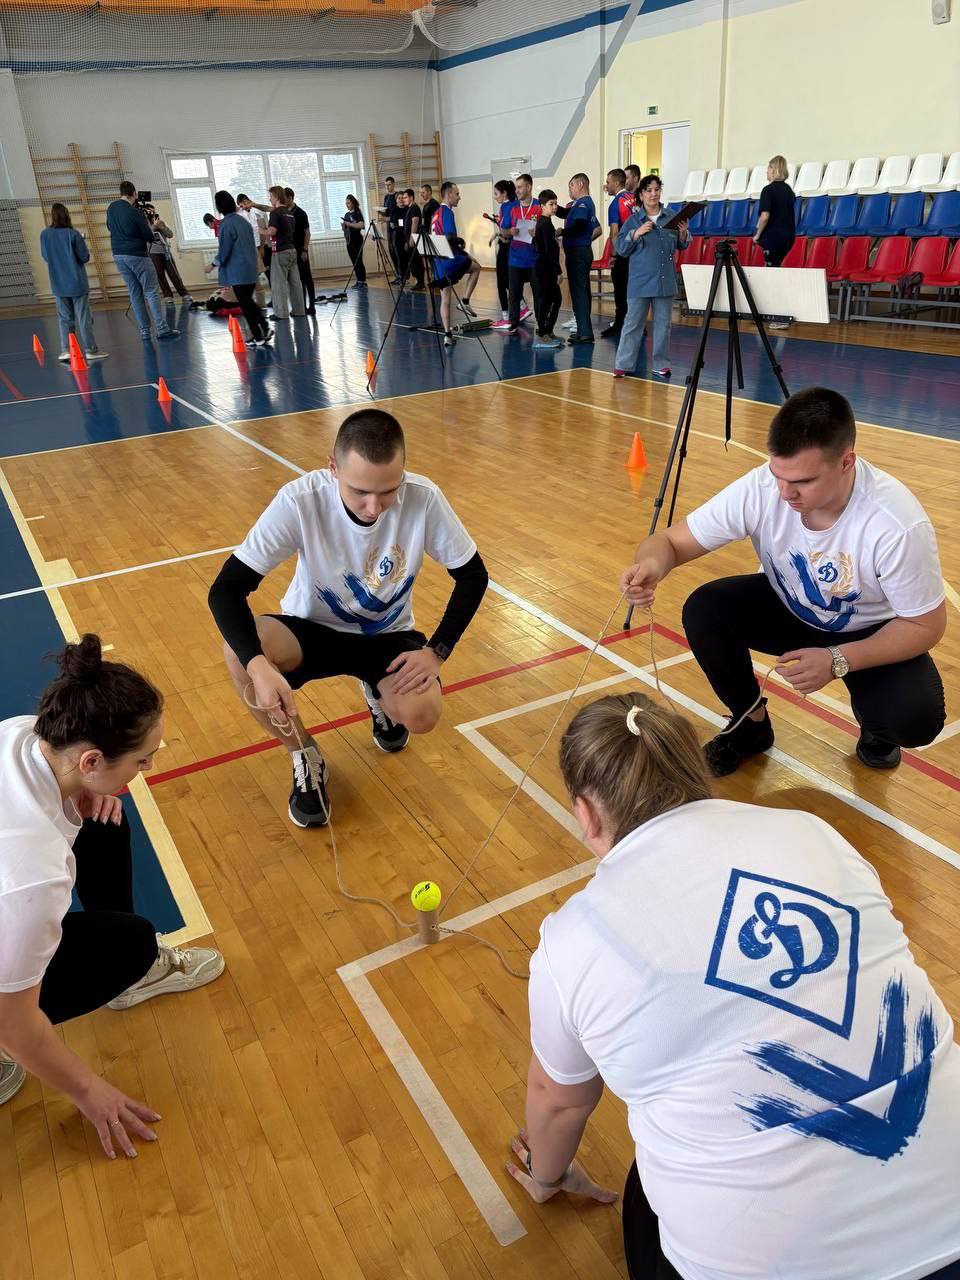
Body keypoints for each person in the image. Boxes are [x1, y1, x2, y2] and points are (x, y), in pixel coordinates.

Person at [509, 689, 960, 1280]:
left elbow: (558, 1100)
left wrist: (547, 1177)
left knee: (647, 1198)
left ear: (586, 813)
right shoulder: (813, 834)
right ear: (694, 772)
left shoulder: (572, 939)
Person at [621, 386, 947, 776]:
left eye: (804, 481)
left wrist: (838, 660)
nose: (785, 493)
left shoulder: (895, 524)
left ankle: (877, 728)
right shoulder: (763, 487)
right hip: (789, 605)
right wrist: (652, 565)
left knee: (914, 718)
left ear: (847, 463)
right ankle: (751, 727)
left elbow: (926, 625)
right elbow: (670, 541)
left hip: (869, 629)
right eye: (778, 475)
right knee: (706, 609)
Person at [208, 408, 488, 828]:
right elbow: (225, 590)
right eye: (359, 492)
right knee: (239, 651)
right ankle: (304, 753)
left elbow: (472, 576)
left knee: (423, 714)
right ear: (332, 467)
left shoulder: (424, 498)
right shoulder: (299, 501)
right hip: (311, 632)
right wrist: (258, 665)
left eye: (388, 491)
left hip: (387, 637)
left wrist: (437, 652)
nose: (374, 507)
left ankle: (378, 691)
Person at [0, 635, 225, 1138]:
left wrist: (80, 800)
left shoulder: (21, 737)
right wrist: (85, 1089)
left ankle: (131, 981)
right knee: (132, 945)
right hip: (11, 911)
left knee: (104, 819)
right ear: (91, 761)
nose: (146, 770)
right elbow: (14, 1025)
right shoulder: (34, 878)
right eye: (142, 761)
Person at [613, 173, 688, 380]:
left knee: (663, 325)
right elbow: (620, 248)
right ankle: (623, 364)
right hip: (640, 281)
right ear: (641, 194)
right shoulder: (633, 220)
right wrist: (636, 234)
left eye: (656, 189)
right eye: (649, 190)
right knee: (633, 324)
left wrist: (683, 234)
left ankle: (661, 364)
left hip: (665, 281)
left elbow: (682, 244)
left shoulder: (672, 216)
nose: (653, 194)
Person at [106, 182, 179, 343]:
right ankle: (161, 329)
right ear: (134, 193)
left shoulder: (111, 208)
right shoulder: (135, 212)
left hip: (118, 255)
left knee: (134, 293)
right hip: (137, 255)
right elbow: (147, 235)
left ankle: (145, 331)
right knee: (151, 291)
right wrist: (152, 226)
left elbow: (110, 227)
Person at [39, 203, 108, 363]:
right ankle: (91, 349)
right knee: (84, 318)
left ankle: (66, 350)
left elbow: (45, 256)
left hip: (58, 283)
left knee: (64, 318)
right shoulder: (73, 234)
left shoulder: (45, 234)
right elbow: (84, 257)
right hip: (77, 283)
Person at [204, 191, 271, 347]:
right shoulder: (243, 221)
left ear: (219, 207)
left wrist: (212, 265)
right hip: (250, 267)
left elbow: (224, 250)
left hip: (238, 271)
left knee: (246, 304)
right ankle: (263, 329)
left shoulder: (226, 225)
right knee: (248, 302)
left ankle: (259, 335)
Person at [429, 182, 482, 346]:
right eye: (457, 194)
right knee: (476, 267)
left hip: (437, 262)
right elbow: (451, 238)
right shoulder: (447, 212)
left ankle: (447, 335)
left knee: (445, 298)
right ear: (449, 195)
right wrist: (462, 245)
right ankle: (465, 302)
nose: (459, 197)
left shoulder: (435, 213)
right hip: (448, 261)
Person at [556, 172, 601, 345]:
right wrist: (552, 207)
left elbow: (579, 224)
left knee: (579, 291)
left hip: (578, 252)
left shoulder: (583, 203)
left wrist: (563, 232)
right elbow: (566, 213)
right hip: (579, 251)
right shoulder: (579, 204)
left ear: (581, 184)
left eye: (571, 186)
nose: (570, 190)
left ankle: (585, 333)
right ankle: (583, 329)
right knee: (580, 290)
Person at [495, 173, 539, 335]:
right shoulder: (513, 208)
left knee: (538, 294)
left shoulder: (539, 206)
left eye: (520, 187)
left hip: (534, 259)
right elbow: (503, 231)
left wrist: (538, 232)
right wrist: (510, 231)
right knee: (514, 294)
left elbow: (547, 229)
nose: (517, 190)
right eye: (516, 187)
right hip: (515, 259)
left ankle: (541, 325)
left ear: (529, 187)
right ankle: (513, 324)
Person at [601, 168, 635, 339]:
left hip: (624, 253)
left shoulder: (615, 204)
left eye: (608, 182)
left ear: (616, 183)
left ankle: (620, 325)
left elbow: (615, 232)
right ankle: (637, 326)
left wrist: (614, 255)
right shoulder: (634, 198)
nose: (606, 186)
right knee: (634, 292)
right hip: (638, 252)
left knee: (620, 290)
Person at [266, 185, 305, 322]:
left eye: (270, 196)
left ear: (276, 197)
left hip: (280, 251)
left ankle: (281, 313)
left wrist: (258, 229)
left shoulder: (275, 213)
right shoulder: (289, 213)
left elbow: (271, 232)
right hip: (292, 251)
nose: (269, 199)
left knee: (279, 283)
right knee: (295, 283)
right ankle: (299, 310)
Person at [531, 190, 563, 351]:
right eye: (551, 204)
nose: (555, 207)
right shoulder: (544, 224)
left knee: (555, 300)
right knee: (548, 301)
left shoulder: (545, 223)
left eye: (556, 203)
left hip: (545, 268)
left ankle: (548, 331)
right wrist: (558, 271)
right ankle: (542, 333)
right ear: (542, 206)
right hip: (545, 270)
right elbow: (550, 251)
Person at [754, 154, 796, 269]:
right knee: (777, 267)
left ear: (773, 170)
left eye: (768, 168)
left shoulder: (768, 190)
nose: (766, 171)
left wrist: (758, 235)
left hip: (773, 237)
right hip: (788, 238)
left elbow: (765, 216)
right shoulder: (789, 191)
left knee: (770, 269)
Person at [146, 212, 193, 304]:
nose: (154, 218)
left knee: (174, 273)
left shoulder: (161, 223)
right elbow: (147, 236)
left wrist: (162, 227)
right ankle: (168, 296)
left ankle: (184, 294)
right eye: (151, 216)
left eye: (155, 216)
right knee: (160, 275)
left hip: (166, 251)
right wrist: (153, 228)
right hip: (153, 253)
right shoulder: (145, 225)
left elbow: (170, 234)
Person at [283, 187, 316, 316]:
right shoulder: (284, 213)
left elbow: (307, 232)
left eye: (284, 199)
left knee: (307, 278)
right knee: (296, 280)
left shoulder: (301, 213)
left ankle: (312, 306)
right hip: (289, 250)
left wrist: (305, 250)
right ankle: (300, 306)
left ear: (290, 198)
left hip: (300, 249)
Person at [490, 179, 516, 323]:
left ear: (504, 193)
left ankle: (506, 314)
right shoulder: (513, 204)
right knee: (509, 279)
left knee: (501, 280)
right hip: (512, 246)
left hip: (507, 246)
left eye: (496, 193)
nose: (495, 196)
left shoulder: (507, 207)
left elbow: (507, 230)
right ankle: (520, 306)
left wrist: (500, 233)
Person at [237, 194, 268, 280]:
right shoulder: (240, 214)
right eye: (241, 204)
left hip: (262, 245)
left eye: (245, 202)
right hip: (251, 247)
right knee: (254, 273)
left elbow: (263, 230)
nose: (243, 206)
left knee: (268, 271)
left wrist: (262, 248)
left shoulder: (257, 211)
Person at [401, 188, 425, 290]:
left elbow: (415, 222)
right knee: (413, 262)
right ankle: (418, 282)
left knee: (416, 261)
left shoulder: (414, 207)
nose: (404, 200)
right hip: (410, 239)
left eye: (406, 197)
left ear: (411, 197)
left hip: (414, 240)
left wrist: (411, 238)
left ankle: (421, 283)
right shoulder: (410, 208)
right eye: (403, 198)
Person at [378, 177, 401, 281]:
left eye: (389, 184)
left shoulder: (397, 196)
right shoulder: (386, 197)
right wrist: (380, 212)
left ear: (393, 184)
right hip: (389, 228)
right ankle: (397, 275)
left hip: (396, 228)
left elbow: (398, 215)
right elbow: (386, 212)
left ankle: (402, 275)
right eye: (386, 185)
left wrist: (387, 218)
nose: (387, 187)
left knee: (398, 252)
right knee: (391, 251)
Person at [342, 194, 367, 289]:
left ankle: (363, 281)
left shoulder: (357, 212)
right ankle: (358, 280)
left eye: (348, 203)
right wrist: (344, 226)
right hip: (349, 240)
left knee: (358, 260)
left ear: (353, 202)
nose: (347, 205)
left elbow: (361, 225)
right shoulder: (346, 214)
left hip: (357, 240)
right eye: (346, 203)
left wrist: (350, 224)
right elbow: (346, 227)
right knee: (354, 261)